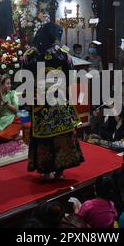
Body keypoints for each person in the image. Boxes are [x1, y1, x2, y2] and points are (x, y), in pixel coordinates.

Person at [24, 23, 84, 180]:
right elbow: (71, 78)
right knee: (62, 136)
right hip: (59, 100)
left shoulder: (30, 55)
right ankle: (60, 171)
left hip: (40, 104)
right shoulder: (64, 55)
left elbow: (26, 80)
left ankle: (44, 171)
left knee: (43, 138)